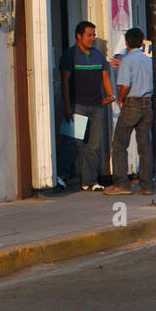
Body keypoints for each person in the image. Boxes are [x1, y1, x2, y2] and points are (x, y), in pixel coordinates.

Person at [58, 21, 115, 191]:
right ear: (79, 36)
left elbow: (105, 76)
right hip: (78, 106)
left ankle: (89, 181)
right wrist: (67, 106)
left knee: (93, 145)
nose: (92, 38)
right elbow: (65, 82)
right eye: (89, 35)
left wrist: (111, 95)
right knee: (72, 143)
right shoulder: (70, 55)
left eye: (94, 35)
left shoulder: (98, 55)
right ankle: (62, 176)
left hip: (96, 106)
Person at [105, 27, 154, 196]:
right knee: (145, 145)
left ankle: (121, 183)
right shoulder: (148, 60)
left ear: (126, 43)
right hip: (147, 104)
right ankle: (147, 185)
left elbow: (125, 85)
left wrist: (120, 99)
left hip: (132, 103)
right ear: (142, 42)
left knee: (119, 143)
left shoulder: (127, 60)